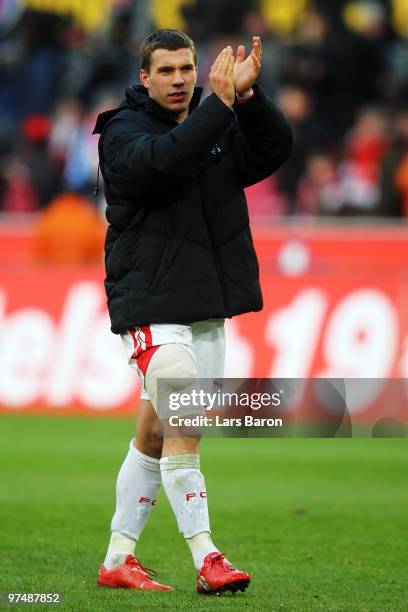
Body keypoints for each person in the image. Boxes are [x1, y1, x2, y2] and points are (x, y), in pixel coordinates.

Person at [93, 28, 293, 595]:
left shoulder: (216, 124)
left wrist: (249, 101)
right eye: (167, 71)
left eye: (187, 69)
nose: (180, 80)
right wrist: (220, 106)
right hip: (150, 303)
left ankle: (117, 559)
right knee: (184, 415)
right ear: (145, 78)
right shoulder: (122, 132)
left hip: (204, 304)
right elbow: (165, 163)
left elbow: (273, 149)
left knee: (156, 434)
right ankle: (208, 558)